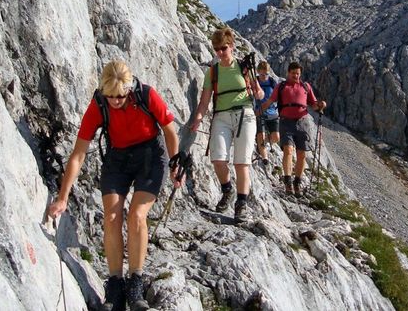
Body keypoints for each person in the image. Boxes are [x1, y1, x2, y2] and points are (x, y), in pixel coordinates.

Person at [47, 60, 184, 311]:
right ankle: (115, 284)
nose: (115, 101)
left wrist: (175, 164)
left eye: (120, 96)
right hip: (117, 157)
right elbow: (78, 154)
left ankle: (135, 282)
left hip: (150, 156)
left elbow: (170, 130)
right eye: (110, 96)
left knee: (137, 216)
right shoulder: (99, 104)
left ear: (129, 90)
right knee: (111, 217)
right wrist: (62, 197)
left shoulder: (145, 94)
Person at [189, 27, 264, 223]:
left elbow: (259, 93)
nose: (220, 52)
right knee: (218, 158)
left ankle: (241, 204)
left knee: (241, 162)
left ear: (231, 46)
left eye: (223, 48)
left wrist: (259, 93)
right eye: (216, 49)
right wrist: (197, 118)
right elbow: (204, 101)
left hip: (245, 115)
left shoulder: (244, 68)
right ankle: (227, 188)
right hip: (221, 116)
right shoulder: (212, 72)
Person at [261, 62, 326, 197]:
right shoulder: (281, 86)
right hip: (286, 122)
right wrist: (258, 111)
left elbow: (313, 105)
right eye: (293, 73)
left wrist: (320, 105)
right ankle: (288, 181)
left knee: (302, 154)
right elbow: (270, 101)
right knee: (288, 150)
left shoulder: (305, 86)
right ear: (288, 73)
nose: (296, 76)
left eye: (298, 74)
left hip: (303, 122)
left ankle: (297, 182)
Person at [254, 61, 280, 168]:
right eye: (262, 74)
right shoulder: (254, 82)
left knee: (276, 137)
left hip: (272, 113)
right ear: (258, 72)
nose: (264, 77)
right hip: (259, 113)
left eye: (266, 74)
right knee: (261, 134)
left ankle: (262, 143)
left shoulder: (272, 82)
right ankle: (265, 157)